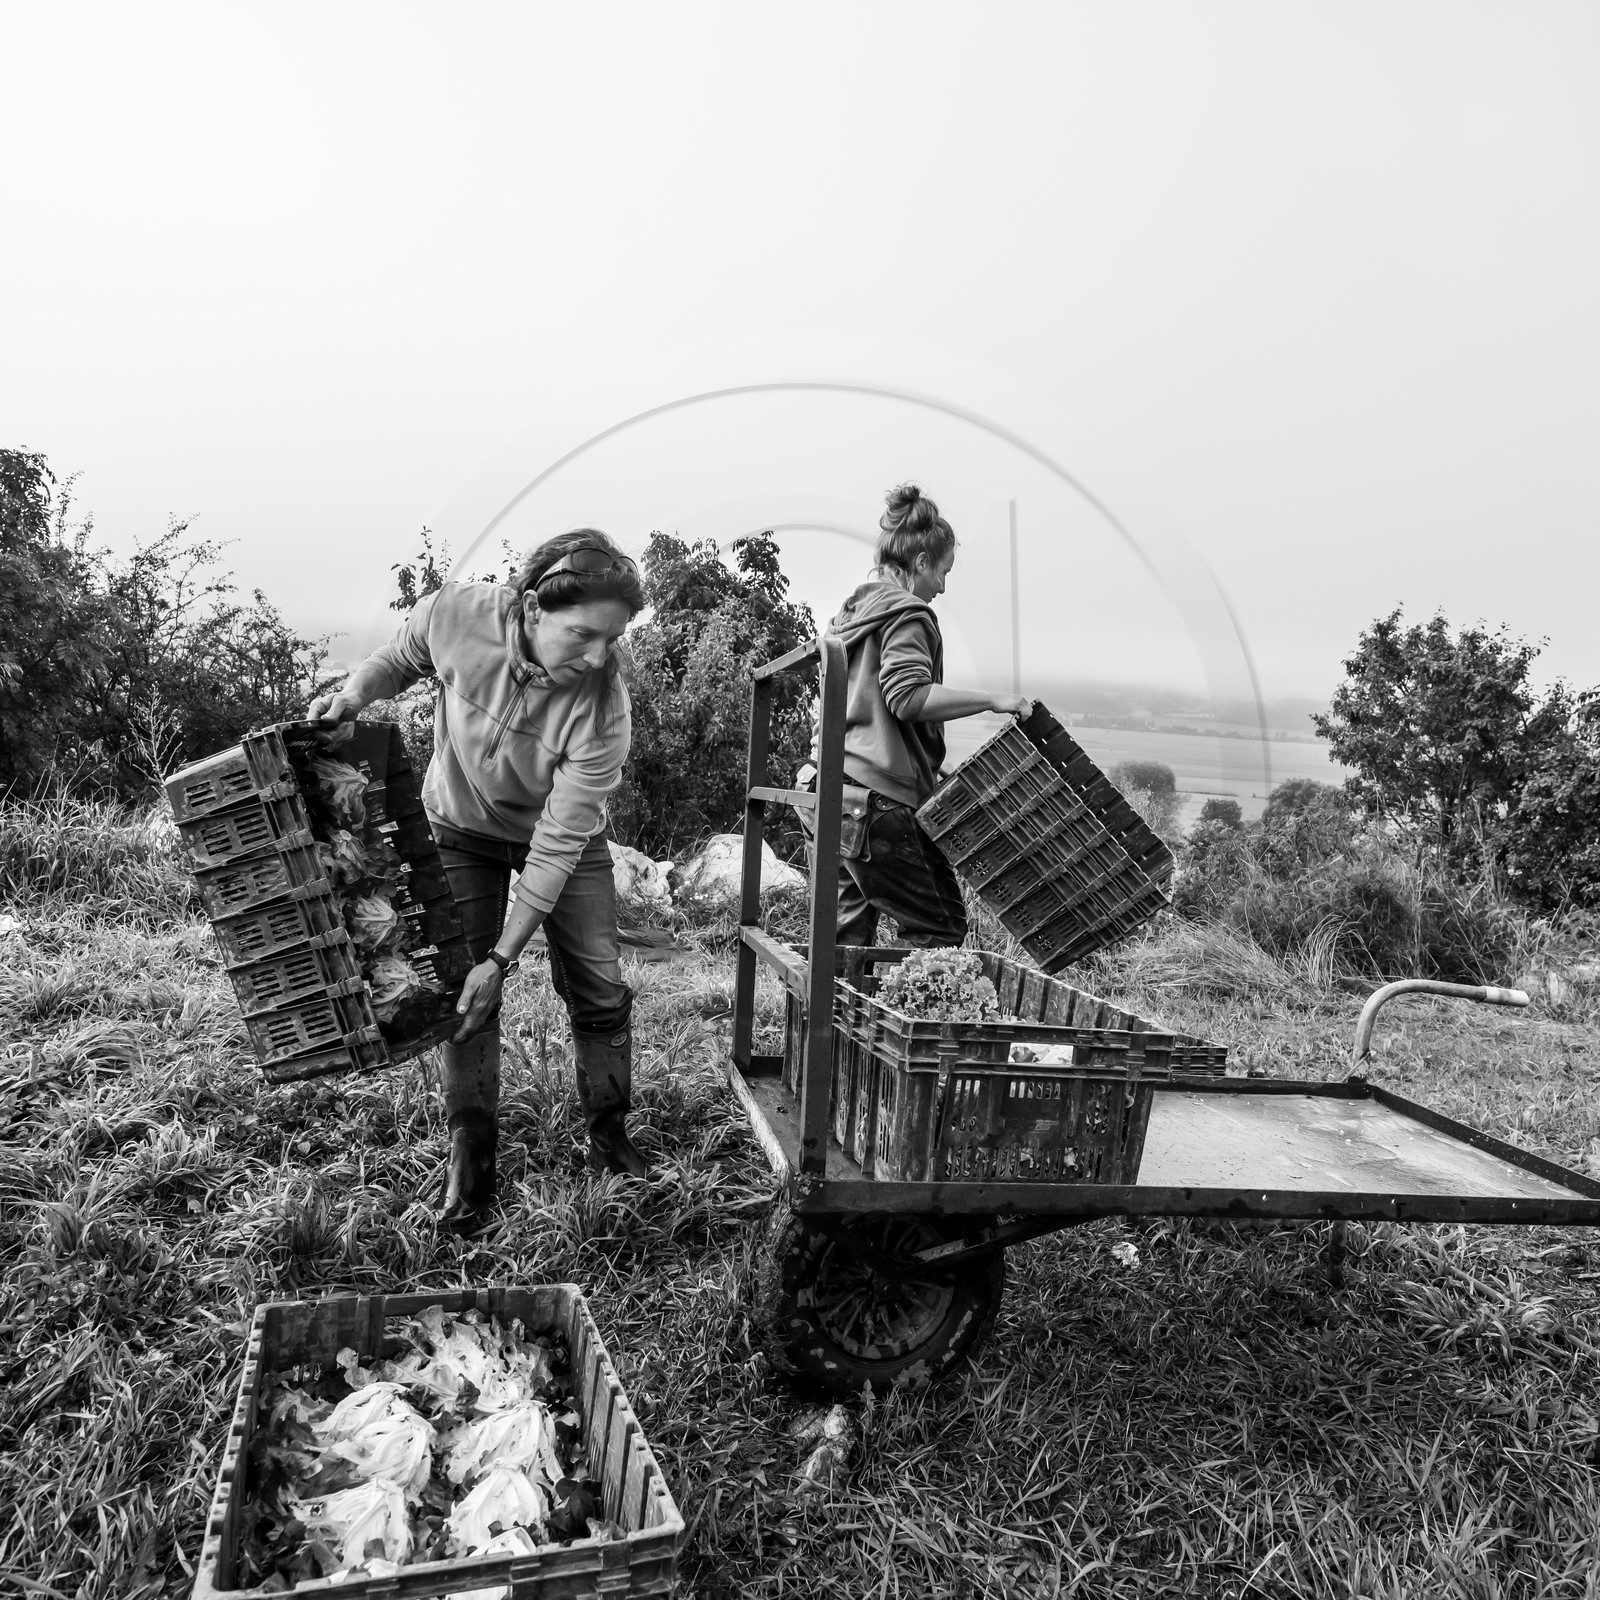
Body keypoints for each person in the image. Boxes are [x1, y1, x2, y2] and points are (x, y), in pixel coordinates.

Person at [308, 529, 649, 1235]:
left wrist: (506, 957)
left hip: (562, 837)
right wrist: (354, 696)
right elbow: (398, 661)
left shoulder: (604, 708)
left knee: (598, 978)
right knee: (461, 990)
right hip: (459, 823)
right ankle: (473, 1156)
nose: (595, 657)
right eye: (582, 634)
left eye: (609, 641)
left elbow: (556, 847)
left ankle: (611, 1136)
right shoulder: (455, 615)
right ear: (529, 609)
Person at [817, 483, 1032, 947]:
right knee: (941, 928)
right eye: (943, 571)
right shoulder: (909, 613)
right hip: (877, 802)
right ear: (920, 563)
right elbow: (906, 697)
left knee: (845, 938)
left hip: (831, 792)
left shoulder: (850, 616)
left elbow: (869, 712)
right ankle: (910, 1011)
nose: (943, 586)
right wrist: (992, 700)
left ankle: (833, 1020)